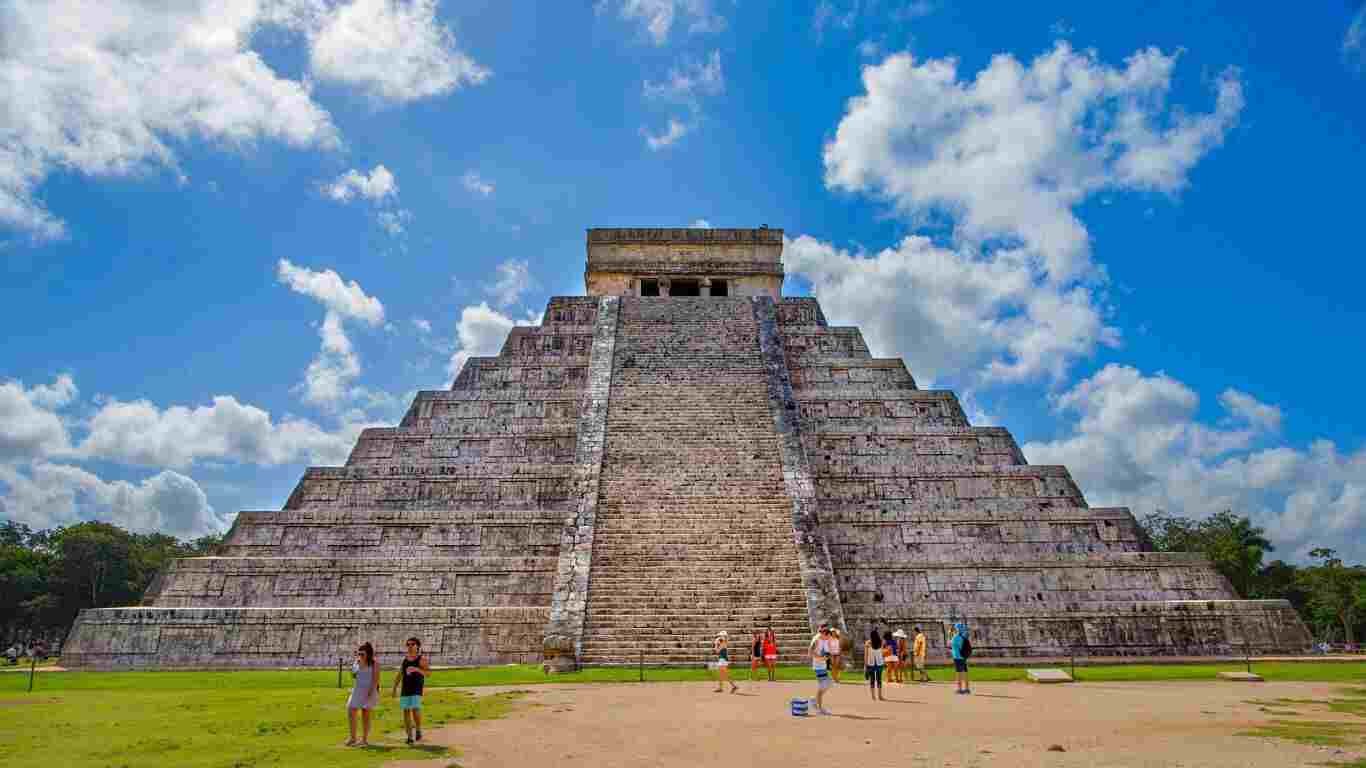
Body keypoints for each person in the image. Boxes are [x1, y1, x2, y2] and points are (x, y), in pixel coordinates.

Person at [391, 636, 430, 745]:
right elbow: (400, 674)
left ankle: (418, 729)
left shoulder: (421, 659)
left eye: (412, 644)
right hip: (405, 688)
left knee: (415, 709)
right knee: (406, 712)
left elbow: (428, 673)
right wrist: (394, 688)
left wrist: (417, 669)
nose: (410, 646)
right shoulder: (405, 660)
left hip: (416, 689)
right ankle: (409, 737)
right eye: (408, 644)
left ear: (418, 646)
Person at [346, 642, 381, 747]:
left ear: (368, 653)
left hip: (369, 690)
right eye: (359, 653)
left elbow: (375, 680)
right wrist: (357, 666)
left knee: (365, 714)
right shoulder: (357, 662)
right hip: (357, 689)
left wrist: (371, 693)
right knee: (351, 709)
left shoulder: (375, 663)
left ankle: (364, 739)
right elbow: (353, 675)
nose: (360, 655)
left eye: (362, 653)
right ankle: (353, 738)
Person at [809, 623, 835, 715]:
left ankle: (814, 700)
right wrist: (820, 658)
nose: (828, 637)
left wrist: (827, 657)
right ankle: (819, 708)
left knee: (829, 683)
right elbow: (810, 652)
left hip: (823, 665)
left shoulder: (825, 639)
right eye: (827, 634)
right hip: (818, 666)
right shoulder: (816, 640)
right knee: (823, 686)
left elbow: (827, 652)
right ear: (823, 633)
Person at [864, 628, 885, 701]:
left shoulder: (868, 643)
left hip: (871, 663)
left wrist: (865, 665)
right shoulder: (881, 642)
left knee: (872, 680)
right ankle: (880, 695)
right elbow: (882, 653)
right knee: (879, 679)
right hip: (879, 663)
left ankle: (873, 696)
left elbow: (866, 655)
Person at [950, 623, 971, 695]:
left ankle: (959, 688)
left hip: (957, 657)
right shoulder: (964, 637)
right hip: (963, 657)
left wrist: (951, 634)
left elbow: (952, 644)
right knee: (965, 672)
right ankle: (967, 688)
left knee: (958, 672)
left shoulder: (955, 637)